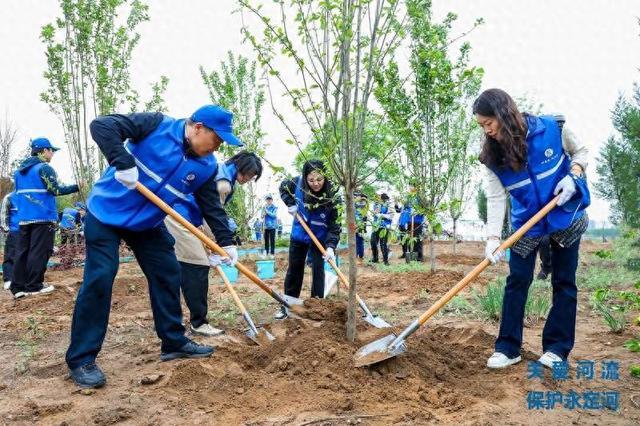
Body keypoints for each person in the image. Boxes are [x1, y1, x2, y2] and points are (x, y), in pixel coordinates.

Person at [65, 105, 243, 389]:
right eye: (217, 139)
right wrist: (122, 161)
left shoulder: (207, 167)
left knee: (168, 272)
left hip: (147, 223)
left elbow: (212, 207)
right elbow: (102, 125)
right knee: (100, 277)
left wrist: (227, 242)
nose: (218, 147)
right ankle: (81, 359)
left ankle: (173, 341)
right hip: (106, 213)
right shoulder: (156, 125)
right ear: (198, 127)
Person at [474, 89, 590, 370]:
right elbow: (497, 197)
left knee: (564, 282)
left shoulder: (553, 127)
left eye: (489, 123)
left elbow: (581, 151)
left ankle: (556, 349)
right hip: (527, 224)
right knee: (517, 282)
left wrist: (574, 176)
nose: (487, 130)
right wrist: (492, 239)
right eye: (481, 126)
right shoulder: (492, 158)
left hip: (564, 215)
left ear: (504, 114)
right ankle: (507, 347)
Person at [164, 151, 262, 337]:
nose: (250, 179)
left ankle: (194, 320)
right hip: (179, 217)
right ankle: (199, 324)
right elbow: (213, 215)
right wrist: (220, 246)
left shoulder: (224, 172)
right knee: (197, 265)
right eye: (250, 175)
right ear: (243, 168)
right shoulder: (224, 183)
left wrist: (214, 246)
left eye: (253, 177)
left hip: (188, 218)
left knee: (195, 264)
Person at [11, 138, 79, 299]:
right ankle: (34, 285)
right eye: (51, 150)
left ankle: (18, 287)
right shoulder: (44, 168)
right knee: (39, 251)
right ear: (43, 151)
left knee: (23, 252)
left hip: (24, 218)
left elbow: (17, 195)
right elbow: (55, 190)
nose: (53, 154)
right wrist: (76, 186)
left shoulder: (19, 172)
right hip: (42, 217)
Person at [276, 160, 341, 319]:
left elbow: (334, 225)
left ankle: (317, 307)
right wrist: (290, 203)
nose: (315, 184)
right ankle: (288, 306)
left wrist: (331, 246)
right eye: (311, 180)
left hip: (319, 238)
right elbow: (283, 188)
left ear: (325, 177)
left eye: (319, 179)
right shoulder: (296, 183)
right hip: (299, 234)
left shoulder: (332, 196)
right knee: (294, 270)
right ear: (305, 177)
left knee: (319, 271)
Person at [396, 189, 424, 262]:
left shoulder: (420, 198)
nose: (410, 188)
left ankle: (419, 257)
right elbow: (402, 209)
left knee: (417, 239)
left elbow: (424, 209)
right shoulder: (409, 199)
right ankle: (411, 255)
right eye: (409, 186)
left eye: (411, 186)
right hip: (409, 221)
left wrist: (417, 211)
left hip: (417, 221)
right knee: (409, 239)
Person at [1, 191, 20, 290]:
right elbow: (3, 215)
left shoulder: (29, 197)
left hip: (28, 232)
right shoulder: (9, 197)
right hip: (14, 231)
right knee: (10, 256)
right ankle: (8, 279)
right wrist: (6, 230)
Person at [370, 193, 393, 265]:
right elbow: (374, 213)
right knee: (373, 242)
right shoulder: (375, 204)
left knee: (383, 244)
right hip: (376, 226)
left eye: (379, 196)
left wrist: (382, 215)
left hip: (384, 227)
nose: (378, 198)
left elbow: (391, 216)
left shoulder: (388, 205)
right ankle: (375, 258)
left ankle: (386, 261)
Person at [354, 192, 369, 262]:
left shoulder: (363, 204)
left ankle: (360, 256)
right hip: (354, 223)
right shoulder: (356, 204)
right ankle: (357, 255)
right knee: (355, 239)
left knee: (359, 240)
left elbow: (358, 205)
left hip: (361, 224)